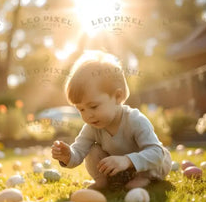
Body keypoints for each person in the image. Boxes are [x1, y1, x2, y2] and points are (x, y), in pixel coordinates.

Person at [51, 50, 171, 191]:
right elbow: (79, 151)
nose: (88, 115)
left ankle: (143, 178)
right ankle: (102, 180)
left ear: (117, 97)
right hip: (120, 169)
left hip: (153, 165)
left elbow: (157, 153)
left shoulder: (135, 120)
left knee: (156, 158)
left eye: (93, 106)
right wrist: (68, 156)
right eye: (81, 110)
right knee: (92, 149)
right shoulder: (91, 127)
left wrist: (127, 160)